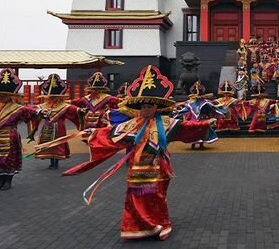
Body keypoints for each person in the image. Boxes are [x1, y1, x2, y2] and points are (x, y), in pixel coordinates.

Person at [63, 65, 218, 240]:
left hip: (158, 167)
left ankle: (161, 223)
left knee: (157, 197)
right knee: (134, 197)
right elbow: (111, 133)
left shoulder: (166, 123)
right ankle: (136, 226)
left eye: (150, 107)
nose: (146, 110)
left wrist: (206, 124)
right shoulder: (131, 125)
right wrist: (93, 133)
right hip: (136, 168)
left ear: (156, 108)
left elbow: (186, 127)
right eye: (143, 107)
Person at [30, 74, 84, 169]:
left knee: (58, 143)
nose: (53, 98)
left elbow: (74, 110)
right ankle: (51, 161)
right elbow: (32, 110)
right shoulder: (43, 106)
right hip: (47, 126)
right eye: (52, 97)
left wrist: (80, 111)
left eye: (55, 97)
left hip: (59, 127)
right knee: (49, 143)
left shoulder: (64, 106)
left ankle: (56, 161)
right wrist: (38, 112)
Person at [173, 81, 222, 149]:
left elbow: (212, 108)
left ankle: (199, 145)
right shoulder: (191, 103)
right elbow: (184, 111)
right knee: (196, 132)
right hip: (197, 121)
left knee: (200, 132)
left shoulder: (204, 102)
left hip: (199, 120)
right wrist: (177, 113)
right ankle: (195, 145)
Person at [71, 72, 120, 138]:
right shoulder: (108, 97)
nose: (96, 91)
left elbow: (74, 102)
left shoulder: (86, 98)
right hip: (96, 119)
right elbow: (118, 102)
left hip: (96, 120)